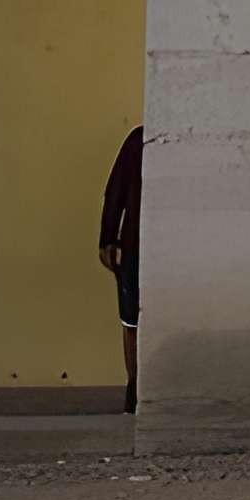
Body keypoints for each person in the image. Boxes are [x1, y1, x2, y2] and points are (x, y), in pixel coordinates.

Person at [99, 125, 143, 414]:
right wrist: (108, 238)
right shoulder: (139, 141)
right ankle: (135, 388)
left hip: (132, 245)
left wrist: (108, 238)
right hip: (136, 246)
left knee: (132, 322)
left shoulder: (138, 141)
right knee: (132, 322)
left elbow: (114, 191)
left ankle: (135, 389)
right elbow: (115, 191)